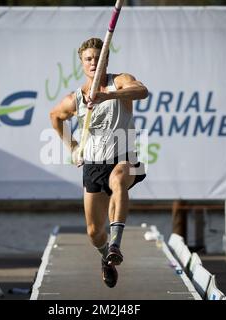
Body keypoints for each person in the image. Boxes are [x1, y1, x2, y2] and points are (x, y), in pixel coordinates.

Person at [50, 38, 148, 288]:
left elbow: (142, 91)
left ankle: (116, 243)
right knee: (94, 232)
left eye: (98, 57)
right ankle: (107, 255)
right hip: (94, 164)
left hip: (126, 157)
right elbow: (55, 117)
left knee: (118, 180)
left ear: (106, 59)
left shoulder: (120, 81)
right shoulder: (77, 99)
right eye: (88, 59)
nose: (94, 62)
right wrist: (72, 147)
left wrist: (108, 95)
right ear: (82, 63)